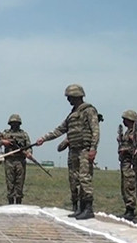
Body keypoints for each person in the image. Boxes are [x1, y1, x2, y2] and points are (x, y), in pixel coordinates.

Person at [36, 84, 100, 219]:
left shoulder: (89, 110)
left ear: (77, 96)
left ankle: (88, 209)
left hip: (84, 150)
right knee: (74, 180)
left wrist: (93, 148)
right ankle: (79, 208)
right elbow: (59, 130)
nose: (68, 100)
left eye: (70, 97)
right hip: (73, 151)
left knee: (85, 179)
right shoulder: (72, 115)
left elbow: (95, 130)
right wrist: (43, 139)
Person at [0, 114, 31, 204]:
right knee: (10, 182)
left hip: (20, 161)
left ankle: (18, 202)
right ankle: (10, 202)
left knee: (19, 182)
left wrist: (29, 153)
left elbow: (29, 146)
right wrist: (3, 142)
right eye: (13, 123)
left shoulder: (24, 134)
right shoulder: (5, 134)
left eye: (16, 123)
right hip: (9, 160)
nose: (14, 125)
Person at [117, 110, 137, 220]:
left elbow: (135, 147)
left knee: (129, 185)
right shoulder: (127, 132)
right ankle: (127, 208)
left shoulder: (135, 132)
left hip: (130, 162)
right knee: (124, 185)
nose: (123, 121)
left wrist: (126, 149)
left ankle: (131, 209)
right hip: (124, 162)